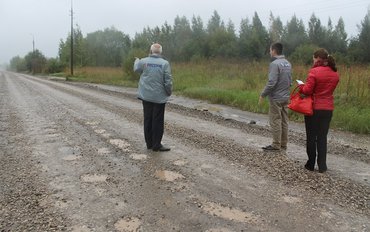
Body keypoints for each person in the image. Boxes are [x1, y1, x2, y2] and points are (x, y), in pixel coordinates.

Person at [299, 48, 339, 173]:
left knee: (311, 136)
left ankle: (310, 164)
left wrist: (301, 86)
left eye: (313, 58)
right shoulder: (335, 73)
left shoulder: (314, 72)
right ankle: (322, 166)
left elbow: (307, 91)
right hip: (328, 109)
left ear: (317, 58)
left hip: (314, 108)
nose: (313, 60)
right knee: (322, 137)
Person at [133, 43, 173, 152]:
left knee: (148, 119)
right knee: (157, 120)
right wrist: (169, 92)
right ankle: (156, 145)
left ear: (151, 51)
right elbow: (168, 81)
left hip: (146, 96)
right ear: (160, 52)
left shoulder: (143, 61)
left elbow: (136, 69)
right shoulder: (165, 63)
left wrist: (137, 60)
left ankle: (149, 144)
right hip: (159, 98)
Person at [259, 42, 292, 151]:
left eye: (270, 50)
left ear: (273, 50)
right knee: (284, 121)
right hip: (286, 97)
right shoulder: (287, 63)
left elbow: (272, 82)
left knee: (275, 120)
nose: (269, 52)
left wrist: (263, 94)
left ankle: (276, 144)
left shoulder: (274, 64)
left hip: (276, 98)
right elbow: (290, 81)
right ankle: (283, 144)